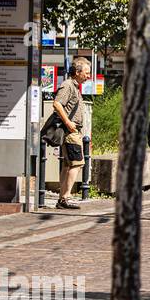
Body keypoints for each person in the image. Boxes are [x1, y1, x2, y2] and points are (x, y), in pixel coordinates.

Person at [48, 57, 92, 209]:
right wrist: (68, 122)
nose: (88, 76)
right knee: (77, 163)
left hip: (73, 131)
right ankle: (65, 198)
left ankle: (62, 199)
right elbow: (57, 104)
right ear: (77, 72)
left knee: (68, 165)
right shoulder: (68, 85)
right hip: (71, 132)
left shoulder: (74, 86)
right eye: (86, 73)